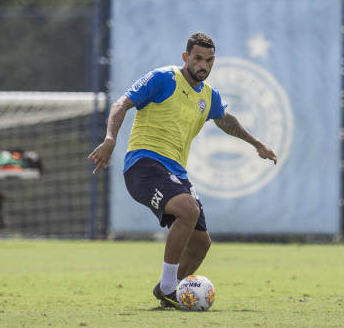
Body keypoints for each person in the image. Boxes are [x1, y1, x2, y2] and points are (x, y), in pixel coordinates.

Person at [88, 32, 277, 308]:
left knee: (201, 243)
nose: (203, 65)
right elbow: (121, 104)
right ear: (185, 57)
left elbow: (225, 120)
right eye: (198, 58)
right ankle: (168, 287)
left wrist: (256, 143)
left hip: (176, 172)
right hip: (144, 164)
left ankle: (168, 295)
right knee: (189, 209)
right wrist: (110, 139)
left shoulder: (209, 96)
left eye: (209, 60)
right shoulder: (163, 78)